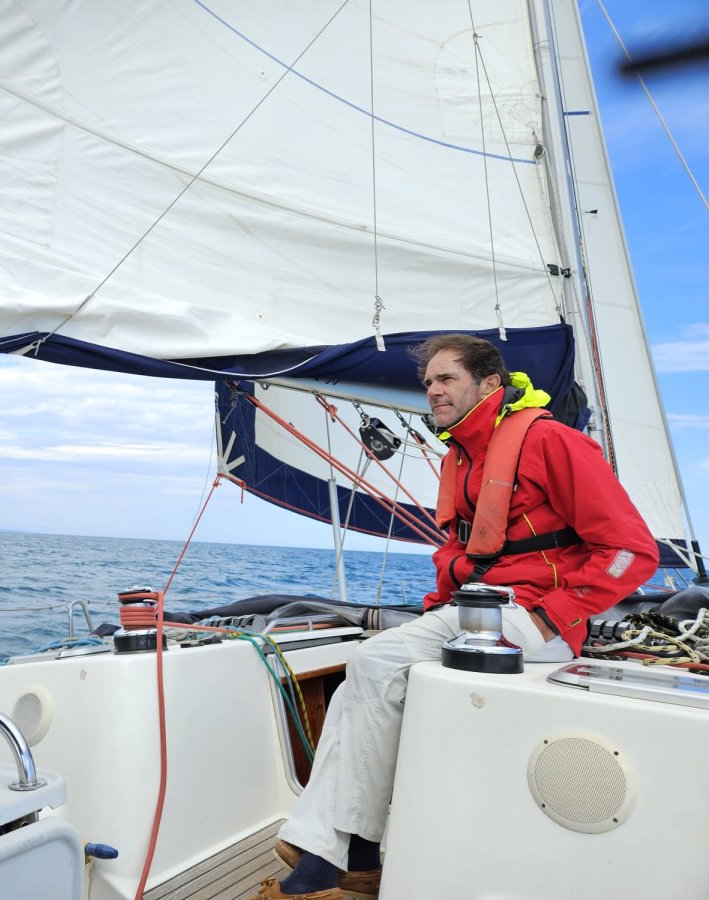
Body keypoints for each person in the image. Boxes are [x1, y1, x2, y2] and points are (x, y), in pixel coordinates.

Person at [252, 334, 659, 900]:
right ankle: (354, 854)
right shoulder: (460, 456)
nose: (432, 391)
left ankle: (328, 859)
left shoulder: (551, 442)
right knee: (355, 686)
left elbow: (631, 551)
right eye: (428, 383)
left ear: (489, 383)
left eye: (446, 379)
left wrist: (553, 614)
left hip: (534, 617)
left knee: (374, 661)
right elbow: (459, 551)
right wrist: (438, 605)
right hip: (476, 611)